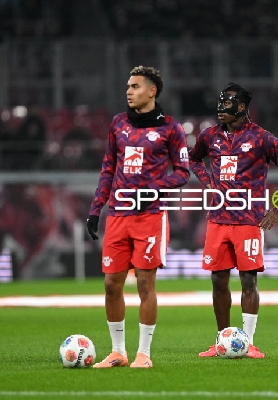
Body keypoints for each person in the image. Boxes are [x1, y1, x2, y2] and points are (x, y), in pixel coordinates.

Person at [86, 66, 190, 369]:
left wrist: (154, 187)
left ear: (152, 91)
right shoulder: (118, 124)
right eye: (128, 86)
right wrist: (96, 208)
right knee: (111, 284)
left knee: (145, 283)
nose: (128, 91)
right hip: (118, 215)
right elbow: (108, 168)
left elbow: (183, 172)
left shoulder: (171, 128)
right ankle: (118, 352)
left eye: (135, 86)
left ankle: (144, 354)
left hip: (150, 216)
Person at [188, 83, 278, 358]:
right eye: (219, 102)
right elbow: (193, 159)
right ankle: (221, 341)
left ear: (241, 107)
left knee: (248, 281)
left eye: (227, 103)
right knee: (218, 281)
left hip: (249, 221)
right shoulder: (209, 136)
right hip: (217, 219)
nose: (220, 108)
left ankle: (248, 343)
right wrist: (207, 181)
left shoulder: (262, 138)